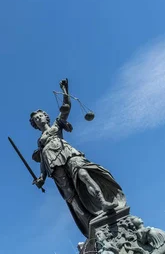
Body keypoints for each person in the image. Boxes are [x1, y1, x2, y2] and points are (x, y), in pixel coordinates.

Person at [30, 79, 126, 236]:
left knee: (83, 173)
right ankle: (87, 221)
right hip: (52, 163)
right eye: (36, 119)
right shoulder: (40, 141)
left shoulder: (55, 126)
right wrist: (42, 177)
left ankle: (103, 202)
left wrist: (65, 91)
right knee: (70, 194)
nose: (38, 119)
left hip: (67, 152)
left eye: (40, 116)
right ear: (34, 124)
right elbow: (42, 160)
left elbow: (66, 109)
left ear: (46, 117)